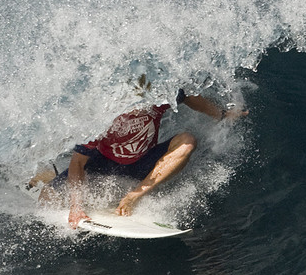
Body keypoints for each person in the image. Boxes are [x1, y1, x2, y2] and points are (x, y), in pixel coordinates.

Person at [29, 82, 246, 228]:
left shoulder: (157, 100)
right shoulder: (102, 118)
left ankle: (134, 194)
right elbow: (78, 164)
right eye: (132, 106)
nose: (137, 111)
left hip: (141, 163)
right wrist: (76, 207)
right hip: (101, 167)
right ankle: (48, 175)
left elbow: (187, 97)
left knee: (188, 141)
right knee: (46, 200)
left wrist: (223, 114)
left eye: (141, 104)